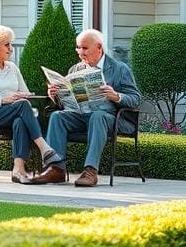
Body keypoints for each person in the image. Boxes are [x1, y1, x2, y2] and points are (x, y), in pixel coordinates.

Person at [30, 28, 142, 187]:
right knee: (57, 116)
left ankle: (90, 171)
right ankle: (56, 169)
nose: (80, 52)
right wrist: (55, 95)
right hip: (80, 115)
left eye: (84, 48)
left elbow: (136, 99)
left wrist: (116, 96)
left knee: (98, 115)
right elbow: (67, 103)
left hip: (110, 118)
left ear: (99, 47)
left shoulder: (119, 68)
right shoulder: (75, 69)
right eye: (78, 47)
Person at [0, 25, 62, 183]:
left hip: (13, 113)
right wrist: (6, 99)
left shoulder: (12, 68)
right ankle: (44, 148)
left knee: (20, 118)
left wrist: (45, 92)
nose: (11, 49)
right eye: (7, 45)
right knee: (21, 106)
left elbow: (25, 94)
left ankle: (18, 170)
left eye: (11, 44)